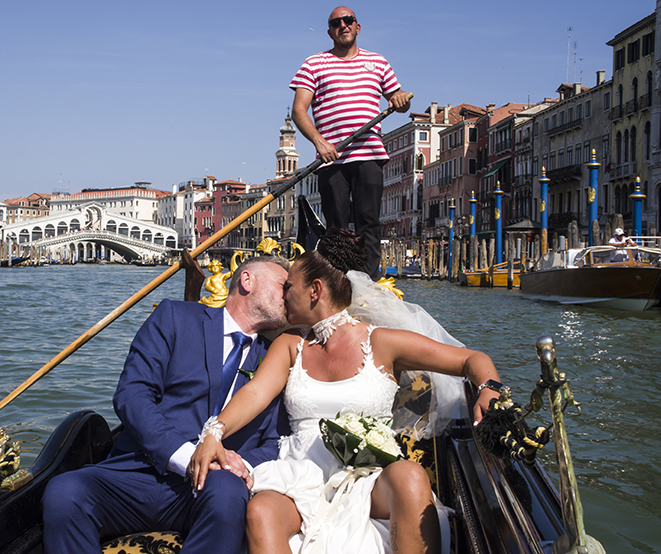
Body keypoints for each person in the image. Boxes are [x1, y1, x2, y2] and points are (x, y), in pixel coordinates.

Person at [190, 229, 504, 554]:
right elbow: (255, 394)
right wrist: (214, 432)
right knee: (261, 511)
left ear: (315, 291)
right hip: (301, 475)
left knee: (410, 476)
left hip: (371, 479)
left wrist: (489, 389)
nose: (282, 296)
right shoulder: (290, 346)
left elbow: (471, 359)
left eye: (288, 287)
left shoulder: (382, 342)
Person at [42, 255, 290, 554]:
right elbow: (132, 394)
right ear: (247, 281)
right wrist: (187, 457)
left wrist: (233, 465)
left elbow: (278, 442)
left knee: (226, 493)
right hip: (138, 471)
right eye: (282, 285)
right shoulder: (175, 317)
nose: (288, 295)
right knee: (64, 492)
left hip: (211, 487)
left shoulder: (278, 360)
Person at [290, 6, 411, 280]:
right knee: (337, 228)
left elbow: (398, 99)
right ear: (330, 31)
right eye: (336, 22)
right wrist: (319, 143)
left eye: (348, 20)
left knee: (369, 222)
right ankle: (338, 282)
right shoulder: (314, 64)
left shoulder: (378, 62)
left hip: (368, 154)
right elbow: (299, 110)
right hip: (332, 158)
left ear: (357, 27)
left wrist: (402, 101)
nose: (342, 25)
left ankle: (369, 283)